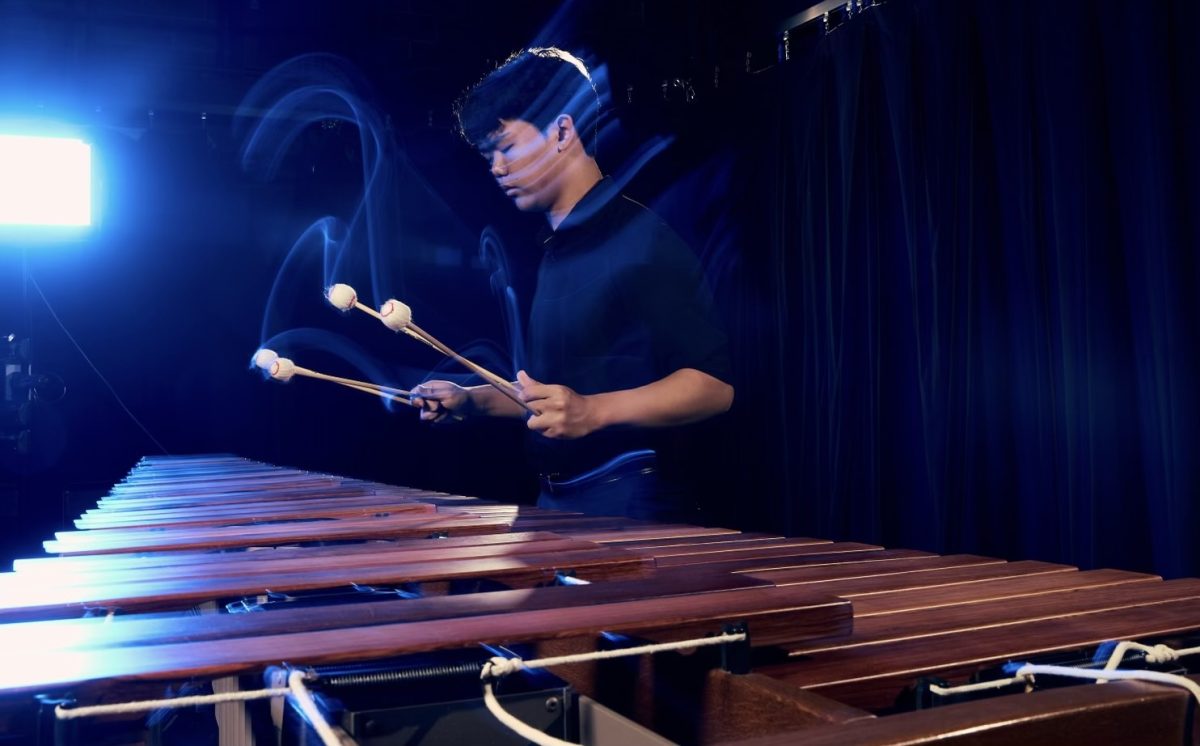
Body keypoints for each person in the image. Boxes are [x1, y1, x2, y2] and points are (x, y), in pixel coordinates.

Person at [413, 47, 733, 522]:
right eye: (488, 156)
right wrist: (472, 401)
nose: (496, 168)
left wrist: (593, 411)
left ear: (562, 131)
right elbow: (554, 396)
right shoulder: (556, 249)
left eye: (505, 146)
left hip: (631, 499)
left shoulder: (640, 240)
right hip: (554, 500)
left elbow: (715, 387)